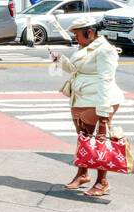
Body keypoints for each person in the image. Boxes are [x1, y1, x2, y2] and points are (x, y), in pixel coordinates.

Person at [53, 15, 125, 199]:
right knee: (84, 138)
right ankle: (83, 174)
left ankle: (102, 182)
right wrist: (61, 61)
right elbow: (77, 70)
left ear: (90, 32)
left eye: (78, 34)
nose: (76, 38)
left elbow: (105, 81)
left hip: (99, 101)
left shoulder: (105, 50)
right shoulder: (86, 47)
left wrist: (103, 112)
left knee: (100, 141)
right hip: (81, 99)